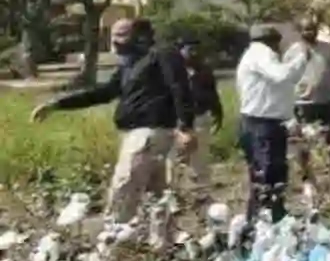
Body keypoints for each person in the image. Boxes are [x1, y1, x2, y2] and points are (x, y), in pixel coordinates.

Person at [31, 18, 194, 224]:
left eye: (121, 35)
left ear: (140, 35)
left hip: (148, 133)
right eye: (112, 35)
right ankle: (160, 248)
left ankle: (113, 239)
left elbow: (180, 88)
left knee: (123, 189)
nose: (115, 41)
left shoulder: (162, 54)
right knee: (158, 199)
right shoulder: (131, 65)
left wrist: (186, 127)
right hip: (138, 135)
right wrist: (57, 104)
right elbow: (104, 93)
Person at [236, 24, 311, 223]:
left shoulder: (258, 56)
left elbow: (286, 80)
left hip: (266, 124)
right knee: (267, 176)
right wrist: (302, 56)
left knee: (272, 175)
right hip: (262, 125)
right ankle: (265, 222)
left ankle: (269, 218)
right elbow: (283, 76)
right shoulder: (261, 54)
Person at [285, 18, 330, 184]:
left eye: (312, 29)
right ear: (300, 31)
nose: (309, 32)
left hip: (328, 101)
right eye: (305, 29)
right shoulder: (292, 52)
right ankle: (307, 178)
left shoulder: (328, 49)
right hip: (304, 105)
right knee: (304, 143)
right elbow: (287, 80)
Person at [174, 37, 223, 193]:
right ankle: (174, 197)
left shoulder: (204, 70)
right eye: (190, 49)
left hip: (200, 119)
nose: (194, 53)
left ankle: (202, 193)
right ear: (180, 51)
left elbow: (213, 94)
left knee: (200, 159)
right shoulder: (172, 71)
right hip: (177, 122)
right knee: (175, 161)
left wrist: (218, 113)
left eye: (197, 49)